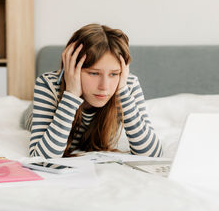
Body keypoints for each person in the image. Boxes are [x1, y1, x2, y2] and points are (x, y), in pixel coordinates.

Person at [23, 23, 162, 158]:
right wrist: (71, 94)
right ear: (72, 67)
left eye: (114, 74)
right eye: (94, 73)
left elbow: (152, 154)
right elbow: (41, 157)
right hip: (35, 112)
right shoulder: (48, 84)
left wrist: (123, 93)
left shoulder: (127, 84)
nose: (105, 87)